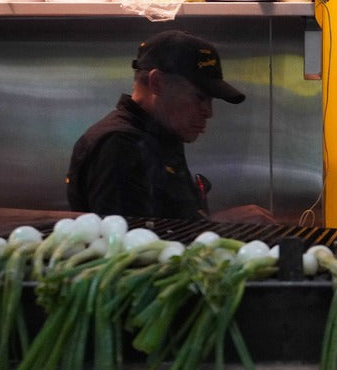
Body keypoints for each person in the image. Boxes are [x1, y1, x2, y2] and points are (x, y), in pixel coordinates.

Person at [66, 30, 275, 224]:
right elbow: (127, 248)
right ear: (157, 83)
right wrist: (217, 224)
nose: (208, 112)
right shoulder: (118, 145)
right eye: (199, 97)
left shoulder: (162, 136)